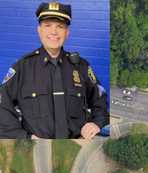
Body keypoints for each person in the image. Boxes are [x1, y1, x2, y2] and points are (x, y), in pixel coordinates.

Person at [0, 2, 109, 139]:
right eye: (47, 25)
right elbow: (2, 106)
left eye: (60, 26)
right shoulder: (22, 67)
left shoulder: (82, 67)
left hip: (75, 147)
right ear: (39, 30)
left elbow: (100, 100)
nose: (54, 32)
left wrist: (95, 123)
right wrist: (24, 137)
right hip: (36, 149)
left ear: (67, 32)